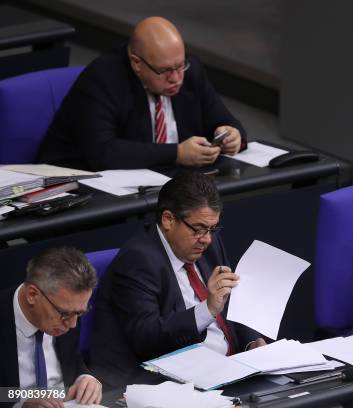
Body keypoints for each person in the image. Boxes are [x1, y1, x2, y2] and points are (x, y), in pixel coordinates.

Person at [90, 170, 266, 388]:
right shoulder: (138, 261)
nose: (207, 239)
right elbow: (148, 340)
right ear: (168, 220)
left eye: (212, 229)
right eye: (199, 229)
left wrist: (251, 342)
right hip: (168, 382)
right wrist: (208, 309)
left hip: (230, 368)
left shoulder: (207, 243)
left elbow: (229, 301)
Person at [37, 16, 246, 171]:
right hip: (81, 183)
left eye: (180, 66)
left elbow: (224, 121)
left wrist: (233, 135)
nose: (176, 78)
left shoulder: (190, 71)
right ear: (137, 63)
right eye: (164, 71)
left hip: (166, 184)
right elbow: (103, 153)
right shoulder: (102, 79)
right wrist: (177, 154)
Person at [0, 247, 102, 408]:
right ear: (32, 295)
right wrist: (22, 402)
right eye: (65, 314)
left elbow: (74, 361)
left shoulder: (69, 309)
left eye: (79, 313)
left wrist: (85, 378)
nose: (73, 324)